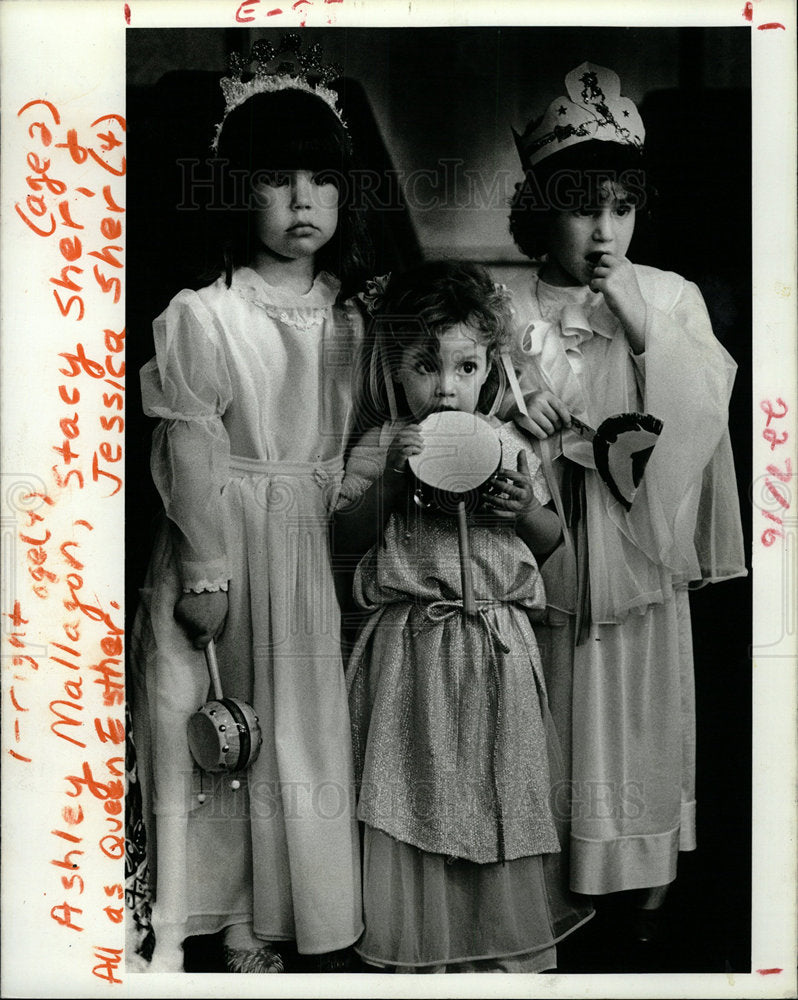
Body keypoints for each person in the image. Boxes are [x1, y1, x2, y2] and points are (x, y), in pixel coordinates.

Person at [129, 40, 371, 973]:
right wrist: (205, 567)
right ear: (239, 192)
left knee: (304, 728)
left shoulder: (356, 313)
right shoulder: (207, 313)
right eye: (276, 180)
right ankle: (222, 914)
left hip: (318, 542)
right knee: (222, 724)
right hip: (229, 537)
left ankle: (293, 909)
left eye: (321, 180)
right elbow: (189, 445)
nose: (302, 200)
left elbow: (359, 439)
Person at [506, 62, 746, 938]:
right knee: (552, 697)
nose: (603, 231)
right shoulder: (507, 303)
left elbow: (695, 419)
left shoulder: (669, 295)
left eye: (621, 208)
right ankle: (557, 870)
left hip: (635, 538)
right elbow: (477, 406)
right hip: (542, 534)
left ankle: (641, 877)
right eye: (581, 208)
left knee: (635, 696)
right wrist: (514, 407)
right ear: (542, 209)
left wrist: (630, 308)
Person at [334, 261, 593, 972]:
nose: (445, 385)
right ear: (396, 368)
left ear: (489, 370)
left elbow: (552, 545)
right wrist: (385, 483)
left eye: (465, 366)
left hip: (495, 651)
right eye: (425, 366)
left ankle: (499, 944)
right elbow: (347, 538)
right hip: (411, 649)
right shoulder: (385, 442)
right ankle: (423, 940)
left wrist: (526, 512)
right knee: (416, 790)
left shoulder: (507, 447)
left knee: (495, 786)